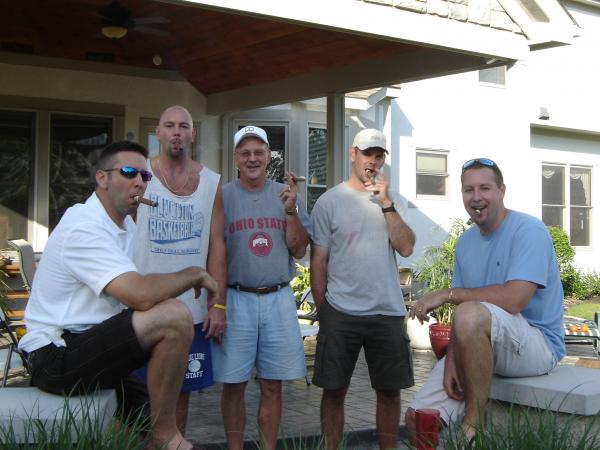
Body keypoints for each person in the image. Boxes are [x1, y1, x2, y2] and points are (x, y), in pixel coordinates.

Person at [18, 140, 217, 450]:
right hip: (55, 354)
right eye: (128, 172)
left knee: (157, 429)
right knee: (175, 316)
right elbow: (138, 295)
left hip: (92, 343)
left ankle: (166, 438)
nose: (139, 181)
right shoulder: (84, 226)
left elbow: (142, 286)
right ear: (103, 178)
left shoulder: (125, 227)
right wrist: (196, 273)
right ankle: (165, 437)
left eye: (145, 176)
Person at [406, 158, 565, 441]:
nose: (476, 198)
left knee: (469, 312)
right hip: (487, 340)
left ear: (501, 191)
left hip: (538, 346)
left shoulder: (529, 230)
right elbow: (466, 315)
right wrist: (453, 359)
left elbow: (515, 300)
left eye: (485, 188)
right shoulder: (466, 243)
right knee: (418, 418)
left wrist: (446, 294)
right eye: (469, 190)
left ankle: (474, 427)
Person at [310, 128, 416, 450]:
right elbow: (318, 262)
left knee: (389, 391)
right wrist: (324, 310)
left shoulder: (393, 199)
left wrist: (385, 203)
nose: (373, 161)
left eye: (379, 155)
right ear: (353, 153)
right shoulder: (330, 202)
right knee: (334, 390)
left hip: (386, 310)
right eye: (367, 153)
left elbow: (407, 247)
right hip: (341, 311)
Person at [212, 125, 311, 450]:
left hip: (277, 297)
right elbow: (212, 252)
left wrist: (291, 211)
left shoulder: (286, 194)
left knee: (272, 385)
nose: (252, 158)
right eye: (245, 152)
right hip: (236, 299)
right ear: (236, 158)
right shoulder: (222, 196)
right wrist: (217, 304)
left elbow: (298, 249)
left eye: (259, 152)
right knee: (233, 385)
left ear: (269, 156)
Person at [133, 105, 226, 433]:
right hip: (141, 307)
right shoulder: (139, 175)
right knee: (134, 395)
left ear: (192, 133)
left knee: (179, 396)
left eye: (183, 126)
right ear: (157, 133)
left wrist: (218, 304)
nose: (176, 132)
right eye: (169, 126)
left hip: (191, 312)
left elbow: (218, 246)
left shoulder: (211, 182)